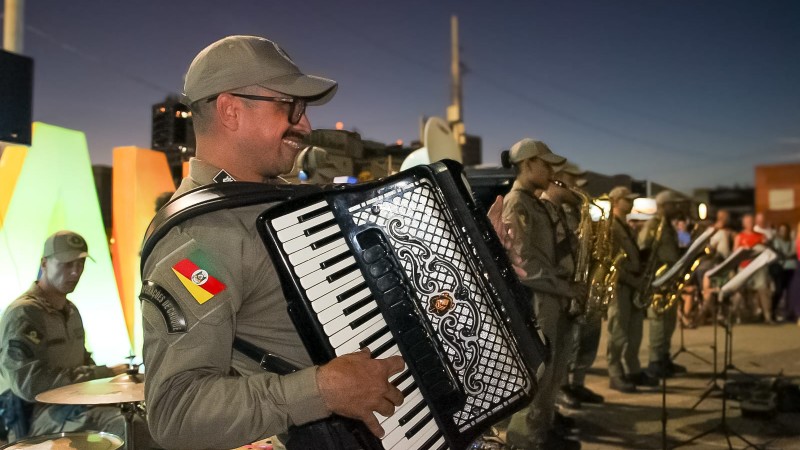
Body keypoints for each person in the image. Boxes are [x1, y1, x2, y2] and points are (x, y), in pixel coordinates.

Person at [139, 35, 520, 450]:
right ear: (231, 110)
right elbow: (174, 411)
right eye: (291, 107)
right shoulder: (199, 244)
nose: (304, 125)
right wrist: (320, 391)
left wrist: (474, 254)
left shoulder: (291, 206)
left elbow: (385, 296)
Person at [0, 231, 129, 443]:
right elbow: (28, 385)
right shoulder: (24, 313)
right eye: (66, 264)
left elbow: (82, 360)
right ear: (44, 264)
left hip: (74, 406)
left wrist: (116, 382)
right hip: (35, 416)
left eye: (80, 264)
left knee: (136, 417)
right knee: (122, 427)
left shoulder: (70, 310)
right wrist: (102, 372)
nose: (75, 272)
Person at [502, 138, 582, 450]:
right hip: (538, 303)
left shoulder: (535, 203)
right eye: (545, 164)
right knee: (538, 376)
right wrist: (566, 287)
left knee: (554, 372)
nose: (550, 171)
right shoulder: (517, 203)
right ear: (527, 164)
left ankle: (542, 433)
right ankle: (524, 442)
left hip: (553, 297)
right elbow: (523, 264)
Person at [552, 163, 605, 409]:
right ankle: (563, 388)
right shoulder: (556, 210)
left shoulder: (578, 210)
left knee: (586, 337)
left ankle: (578, 384)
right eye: (573, 180)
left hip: (582, 281)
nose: (579, 187)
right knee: (566, 343)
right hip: (566, 284)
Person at [605, 187, 659, 392]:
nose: (631, 203)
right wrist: (632, 279)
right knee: (618, 331)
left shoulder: (625, 226)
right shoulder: (611, 226)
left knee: (634, 332)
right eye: (627, 200)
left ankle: (633, 369)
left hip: (633, 285)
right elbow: (612, 263)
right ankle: (615, 373)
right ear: (616, 201)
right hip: (621, 286)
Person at [639, 190, 685, 379]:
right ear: (664, 206)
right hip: (658, 279)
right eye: (672, 205)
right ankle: (655, 360)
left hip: (669, 279)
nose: (676, 208)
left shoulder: (667, 226)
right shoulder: (653, 225)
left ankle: (664, 356)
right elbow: (643, 247)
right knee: (658, 321)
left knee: (669, 321)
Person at [732, 214, 773, 323]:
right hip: (744, 267)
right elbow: (734, 253)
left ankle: (767, 316)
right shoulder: (739, 236)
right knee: (738, 290)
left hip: (758, 267)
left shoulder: (761, 236)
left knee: (763, 288)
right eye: (748, 222)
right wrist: (742, 250)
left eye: (751, 221)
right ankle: (735, 316)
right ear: (744, 224)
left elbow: (767, 250)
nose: (750, 224)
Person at [770, 223, 796, 321]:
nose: (783, 232)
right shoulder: (776, 241)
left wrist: (787, 255)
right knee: (779, 290)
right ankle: (773, 311)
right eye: (781, 230)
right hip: (780, 269)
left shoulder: (792, 241)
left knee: (791, 291)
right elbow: (780, 253)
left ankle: (790, 313)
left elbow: (793, 253)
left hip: (791, 268)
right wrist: (787, 256)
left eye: (785, 230)